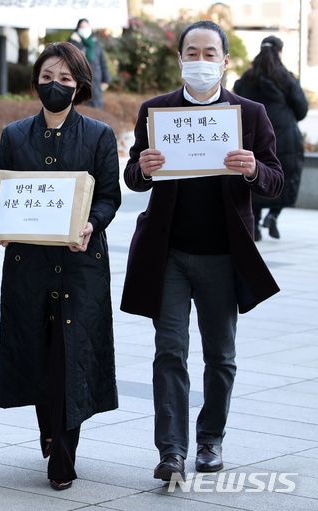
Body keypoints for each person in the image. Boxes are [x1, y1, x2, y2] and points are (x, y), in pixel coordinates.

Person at [121, 21, 284, 482]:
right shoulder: (157, 111)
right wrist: (144, 167)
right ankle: (171, 449)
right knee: (169, 350)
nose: (201, 60)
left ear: (226, 60)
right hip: (168, 252)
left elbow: (276, 179)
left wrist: (253, 169)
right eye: (192, 52)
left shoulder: (249, 113)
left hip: (223, 254)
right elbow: (134, 175)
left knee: (221, 355)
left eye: (210, 53)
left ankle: (210, 439)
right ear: (179, 59)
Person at [0, 42, 121, 491]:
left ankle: (62, 453)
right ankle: (49, 430)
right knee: (38, 351)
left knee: (70, 354)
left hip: (80, 263)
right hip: (29, 264)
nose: (55, 85)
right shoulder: (14, 134)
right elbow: (1, 191)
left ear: (80, 85)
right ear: (35, 82)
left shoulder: (99, 136)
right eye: (47, 77)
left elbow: (108, 197)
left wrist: (91, 223)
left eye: (65, 79)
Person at [234, 35, 309, 240]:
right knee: (283, 177)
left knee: (257, 174)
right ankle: (273, 216)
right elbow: (301, 110)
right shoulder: (287, 78)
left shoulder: (247, 78)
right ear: (280, 52)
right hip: (286, 138)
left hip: (254, 137)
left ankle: (255, 223)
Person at [68, 18, 111, 110]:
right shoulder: (71, 44)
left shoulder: (95, 44)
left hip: (95, 84)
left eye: (86, 27)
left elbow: (103, 63)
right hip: (78, 82)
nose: (84, 29)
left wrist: (106, 81)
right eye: (82, 27)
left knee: (96, 112)